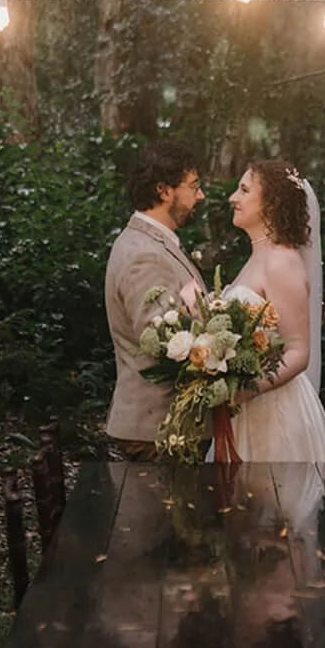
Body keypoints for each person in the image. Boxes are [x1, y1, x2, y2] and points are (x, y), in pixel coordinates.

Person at [184, 160, 325, 464]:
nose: (233, 198)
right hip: (246, 413)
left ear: (271, 204)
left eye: (243, 190)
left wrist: (244, 390)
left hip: (276, 416)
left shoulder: (282, 262)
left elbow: (298, 352)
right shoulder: (258, 258)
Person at [104, 138, 207, 461]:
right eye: (193, 186)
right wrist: (222, 352)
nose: (200, 195)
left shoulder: (155, 245)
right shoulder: (144, 255)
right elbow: (161, 343)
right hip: (158, 432)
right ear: (164, 190)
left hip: (168, 429)